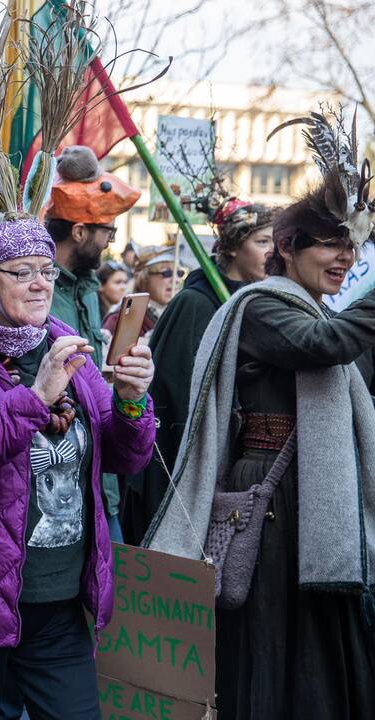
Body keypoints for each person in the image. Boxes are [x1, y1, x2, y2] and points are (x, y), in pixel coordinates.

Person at [145, 142, 375, 718]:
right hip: (271, 505)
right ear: (289, 249)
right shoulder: (261, 306)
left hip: (322, 500)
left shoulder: (322, 311)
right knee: (275, 648)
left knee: (322, 649)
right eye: (330, 243)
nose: (345, 256)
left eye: (352, 245)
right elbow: (326, 348)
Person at [0, 212, 156, 719]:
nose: (41, 283)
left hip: (57, 602)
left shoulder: (63, 344)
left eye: (47, 268)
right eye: (22, 271)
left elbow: (126, 457)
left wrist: (131, 402)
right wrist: (36, 397)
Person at [121, 201, 276, 544]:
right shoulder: (195, 303)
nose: (273, 251)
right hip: (181, 467)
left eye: (276, 242)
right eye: (263, 241)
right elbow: (175, 398)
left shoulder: (253, 301)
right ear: (234, 247)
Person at [44, 145, 140, 547]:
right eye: (108, 233)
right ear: (80, 232)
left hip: (102, 475)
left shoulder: (87, 287)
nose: (111, 244)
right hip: (59, 472)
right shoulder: (41, 289)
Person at [102, 246, 187, 339]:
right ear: (144, 278)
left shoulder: (179, 315)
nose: (176, 280)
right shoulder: (120, 319)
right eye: (166, 273)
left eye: (179, 273)